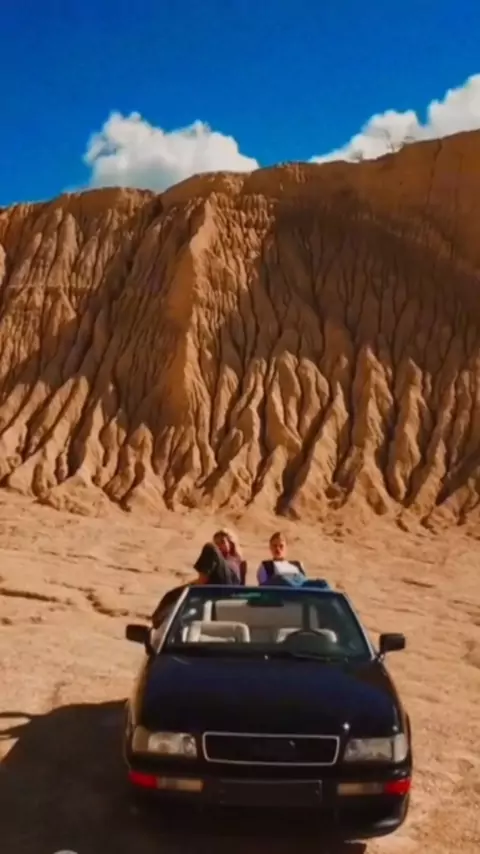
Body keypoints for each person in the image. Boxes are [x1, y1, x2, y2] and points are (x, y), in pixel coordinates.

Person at [151, 542, 239, 628]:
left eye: (222, 541)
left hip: (219, 591)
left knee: (209, 547)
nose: (219, 545)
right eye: (217, 542)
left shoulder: (232, 561)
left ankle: (159, 622)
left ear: (231, 543)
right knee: (171, 595)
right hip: (212, 588)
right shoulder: (222, 562)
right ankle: (158, 623)